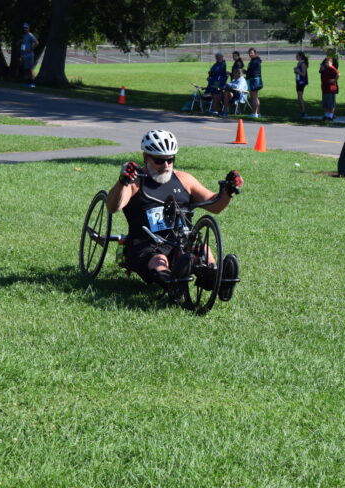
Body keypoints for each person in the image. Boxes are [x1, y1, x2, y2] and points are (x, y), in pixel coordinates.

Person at [106, 130, 243, 303]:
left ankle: (218, 279)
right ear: (145, 157)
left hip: (182, 242)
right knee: (159, 259)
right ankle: (173, 285)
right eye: (159, 160)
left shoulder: (184, 179)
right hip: (146, 244)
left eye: (170, 160)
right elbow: (113, 207)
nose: (166, 165)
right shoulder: (135, 182)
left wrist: (228, 191)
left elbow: (214, 205)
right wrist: (122, 181)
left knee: (203, 250)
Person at [320, 56, 340, 121]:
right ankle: (326, 115)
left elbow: (338, 74)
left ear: (331, 63)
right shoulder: (325, 68)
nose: (326, 64)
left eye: (328, 62)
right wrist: (322, 69)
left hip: (331, 89)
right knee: (325, 103)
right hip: (324, 88)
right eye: (325, 62)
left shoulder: (332, 68)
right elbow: (321, 72)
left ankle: (330, 116)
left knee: (331, 103)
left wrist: (334, 80)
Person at [20, 22, 38, 87]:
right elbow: (23, 45)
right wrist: (22, 53)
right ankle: (28, 82)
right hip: (24, 55)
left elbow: (36, 42)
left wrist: (31, 49)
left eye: (26, 28)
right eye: (24, 28)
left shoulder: (30, 35)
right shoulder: (24, 36)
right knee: (26, 69)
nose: (25, 29)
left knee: (30, 69)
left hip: (30, 55)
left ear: (29, 28)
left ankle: (32, 83)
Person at [247, 47, 263, 118]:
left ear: (255, 53)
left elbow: (253, 71)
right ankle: (258, 113)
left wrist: (247, 72)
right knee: (255, 97)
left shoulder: (255, 61)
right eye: (249, 53)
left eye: (251, 53)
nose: (250, 54)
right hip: (254, 79)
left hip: (254, 80)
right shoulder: (254, 60)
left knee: (253, 97)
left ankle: (254, 113)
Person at [294, 51, 309, 118]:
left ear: (300, 56)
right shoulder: (299, 63)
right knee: (298, 97)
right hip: (298, 81)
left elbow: (303, 74)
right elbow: (298, 73)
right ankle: (301, 111)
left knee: (300, 97)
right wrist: (295, 71)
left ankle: (303, 112)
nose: (296, 57)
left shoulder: (303, 64)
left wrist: (298, 71)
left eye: (297, 56)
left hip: (302, 82)